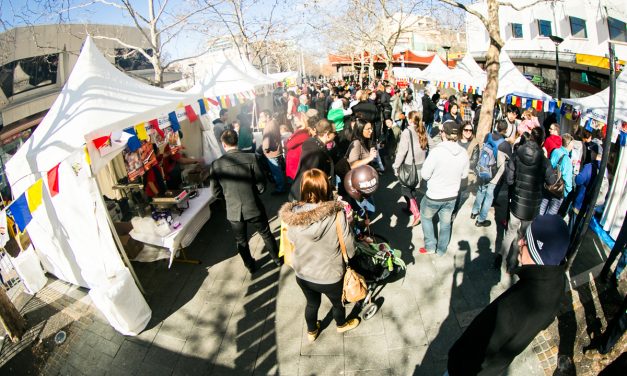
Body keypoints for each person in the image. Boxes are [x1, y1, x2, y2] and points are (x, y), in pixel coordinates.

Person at [448, 214, 570, 376]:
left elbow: (480, 350)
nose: (520, 242)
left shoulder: (515, 306)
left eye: (526, 241)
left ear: (537, 251)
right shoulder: (557, 282)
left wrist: (454, 361)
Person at [279, 169, 360, 342]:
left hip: (303, 274)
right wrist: (350, 224)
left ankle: (312, 331)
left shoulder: (293, 216)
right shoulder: (337, 215)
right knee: (338, 304)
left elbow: (291, 239)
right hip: (330, 276)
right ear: (326, 188)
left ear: (303, 188)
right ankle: (341, 325)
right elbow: (349, 246)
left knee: (311, 304)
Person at [209, 130, 282, 273]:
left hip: (233, 209)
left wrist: (229, 197)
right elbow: (261, 185)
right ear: (237, 141)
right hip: (253, 204)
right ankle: (277, 260)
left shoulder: (216, 164)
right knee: (266, 233)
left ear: (223, 145)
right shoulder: (252, 157)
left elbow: (216, 193)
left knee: (241, 241)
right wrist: (254, 191)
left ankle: (250, 266)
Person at [499, 127, 556, 271]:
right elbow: (552, 181)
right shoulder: (544, 161)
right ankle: (512, 264)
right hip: (532, 207)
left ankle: (500, 257)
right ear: (542, 142)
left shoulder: (518, 152)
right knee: (522, 235)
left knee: (510, 231)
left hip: (517, 202)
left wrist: (516, 186)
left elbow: (509, 178)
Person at [419, 120, 469, 256]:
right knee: (446, 224)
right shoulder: (463, 153)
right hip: (452, 195)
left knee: (426, 217)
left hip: (434, 195)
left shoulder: (436, 152)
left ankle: (430, 246)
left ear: (443, 134)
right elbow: (464, 175)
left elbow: (425, 174)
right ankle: (441, 250)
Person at [470, 120, 511, 227]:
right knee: (489, 196)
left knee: (481, 190)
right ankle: (481, 220)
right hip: (494, 173)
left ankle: (474, 212)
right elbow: (509, 159)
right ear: (506, 130)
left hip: (482, 168)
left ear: (496, 127)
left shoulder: (488, 136)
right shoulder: (505, 144)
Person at [393, 111, 430, 227]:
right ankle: (410, 207)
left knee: (406, 189)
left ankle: (416, 213)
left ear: (409, 120)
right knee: (412, 189)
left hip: (409, 167)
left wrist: (396, 166)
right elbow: (433, 146)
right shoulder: (423, 130)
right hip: (421, 166)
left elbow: (402, 152)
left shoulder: (406, 132)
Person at [289, 119, 336, 201]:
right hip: (307, 197)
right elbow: (310, 177)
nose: (336, 135)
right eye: (334, 133)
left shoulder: (314, 143)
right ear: (327, 134)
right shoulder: (315, 151)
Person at [539, 134, 574, 215]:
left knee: (541, 209)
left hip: (548, 184)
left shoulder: (555, 151)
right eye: (572, 145)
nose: (572, 147)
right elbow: (568, 180)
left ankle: (535, 225)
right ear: (569, 145)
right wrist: (565, 193)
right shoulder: (567, 160)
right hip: (558, 190)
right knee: (550, 216)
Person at [262, 115, 287, 194]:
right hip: (277, 150)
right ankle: (281, 186)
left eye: (262, 116)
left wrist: (265, 150)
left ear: (267, 116)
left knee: (276, 171)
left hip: (272, 153)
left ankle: (280, 188)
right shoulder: (274, 122)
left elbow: (266, 142)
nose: (260, 118)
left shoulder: (268, 126)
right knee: (278, 170)